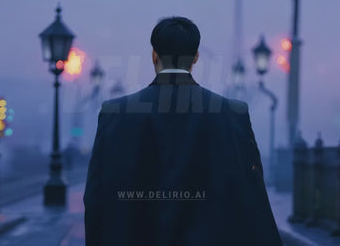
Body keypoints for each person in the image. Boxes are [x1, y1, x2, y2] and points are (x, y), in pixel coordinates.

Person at [83, 16, 282, 246]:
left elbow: (96, 198)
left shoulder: (114, 114)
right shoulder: (232, 115)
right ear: (195, 57)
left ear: (154, 55)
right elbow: (253, 198)